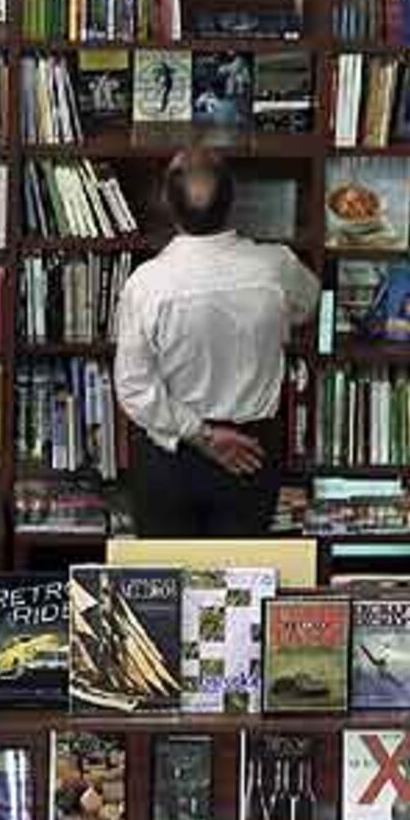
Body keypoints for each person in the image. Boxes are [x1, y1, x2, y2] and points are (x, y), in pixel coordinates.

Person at [114, 149, 320, 535]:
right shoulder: (277, 267)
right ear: (233, 201)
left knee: (164, 589)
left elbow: (134, 388)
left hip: (170, 453)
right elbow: (305, 308)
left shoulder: (146, 284)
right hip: (251, 450)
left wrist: (202, 436)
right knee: (241, 583)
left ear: (166, 204)